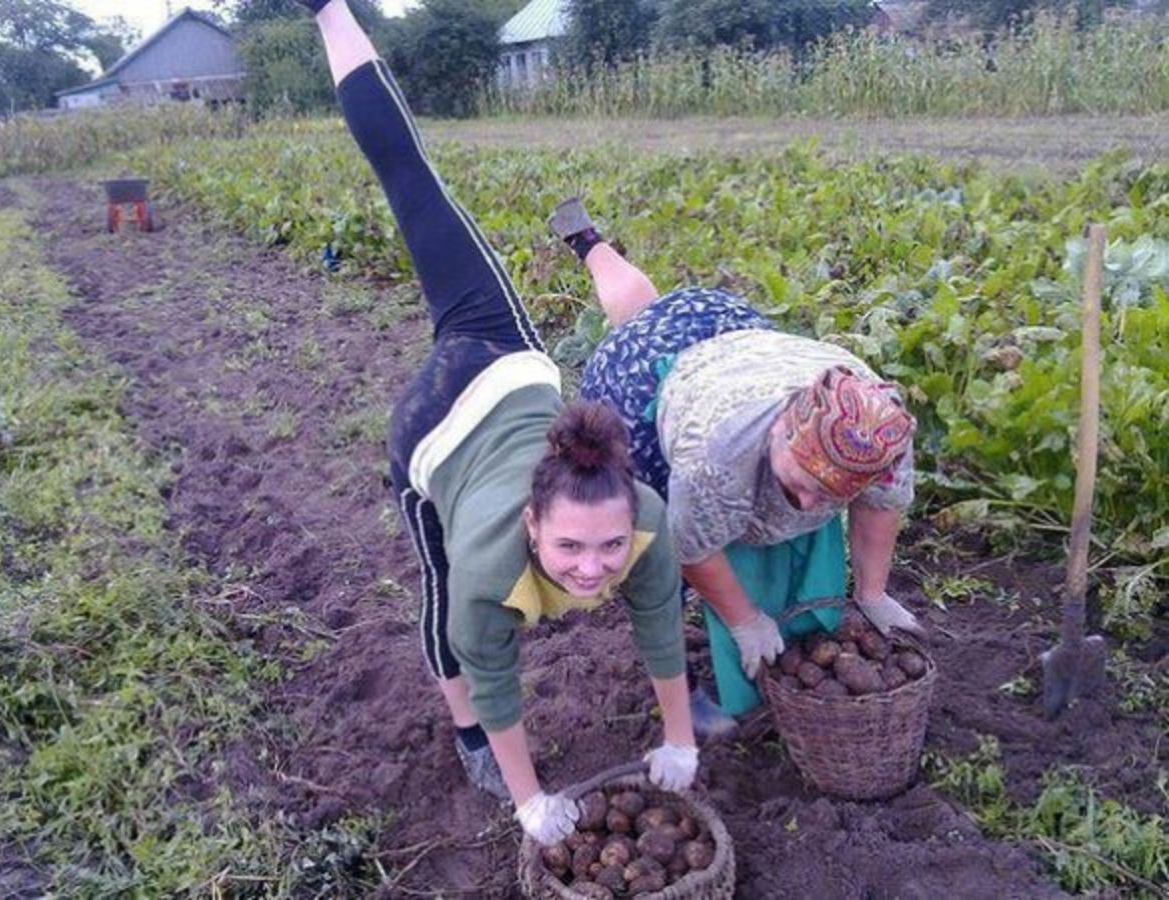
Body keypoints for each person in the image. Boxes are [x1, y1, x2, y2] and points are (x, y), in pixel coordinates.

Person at [297, 1, 698, 847]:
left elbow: (660, 623)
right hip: (433, 431)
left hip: (503, 360)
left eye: (607, 549)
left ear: (634, 518)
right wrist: (530, 800)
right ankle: (470, 739)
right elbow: (498, 668)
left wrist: (679, 739)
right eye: (569, 551)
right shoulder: (493, 571)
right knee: (448, 599)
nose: (593, 571)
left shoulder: (649, 527)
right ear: (530, 525)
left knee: (416, 186)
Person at [550, 198, 923, 723]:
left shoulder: (879, 427)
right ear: (782, 432)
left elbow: (881, 504)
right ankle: (677, 678)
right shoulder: (715, 460)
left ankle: (589, 242)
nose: (813, 504)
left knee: (645, 309)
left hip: (727, 331)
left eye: (831, 495)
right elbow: (694, 548)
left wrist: (873, 593)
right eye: (806, 483)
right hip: (643, 386)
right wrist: (745, 620)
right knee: (652, 547)